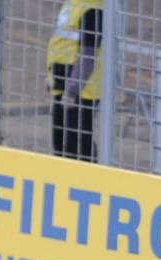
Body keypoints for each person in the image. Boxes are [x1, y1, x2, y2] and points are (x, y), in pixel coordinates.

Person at [47, 0, 103, 162]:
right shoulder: (72, 4)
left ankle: (87, 181)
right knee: (60, 140)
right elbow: (60, 43)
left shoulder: (93, 10)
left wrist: (72, 91)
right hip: (61, 83)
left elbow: (88, 57)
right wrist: (50, 78)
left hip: (79, 91)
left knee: (77, 144)